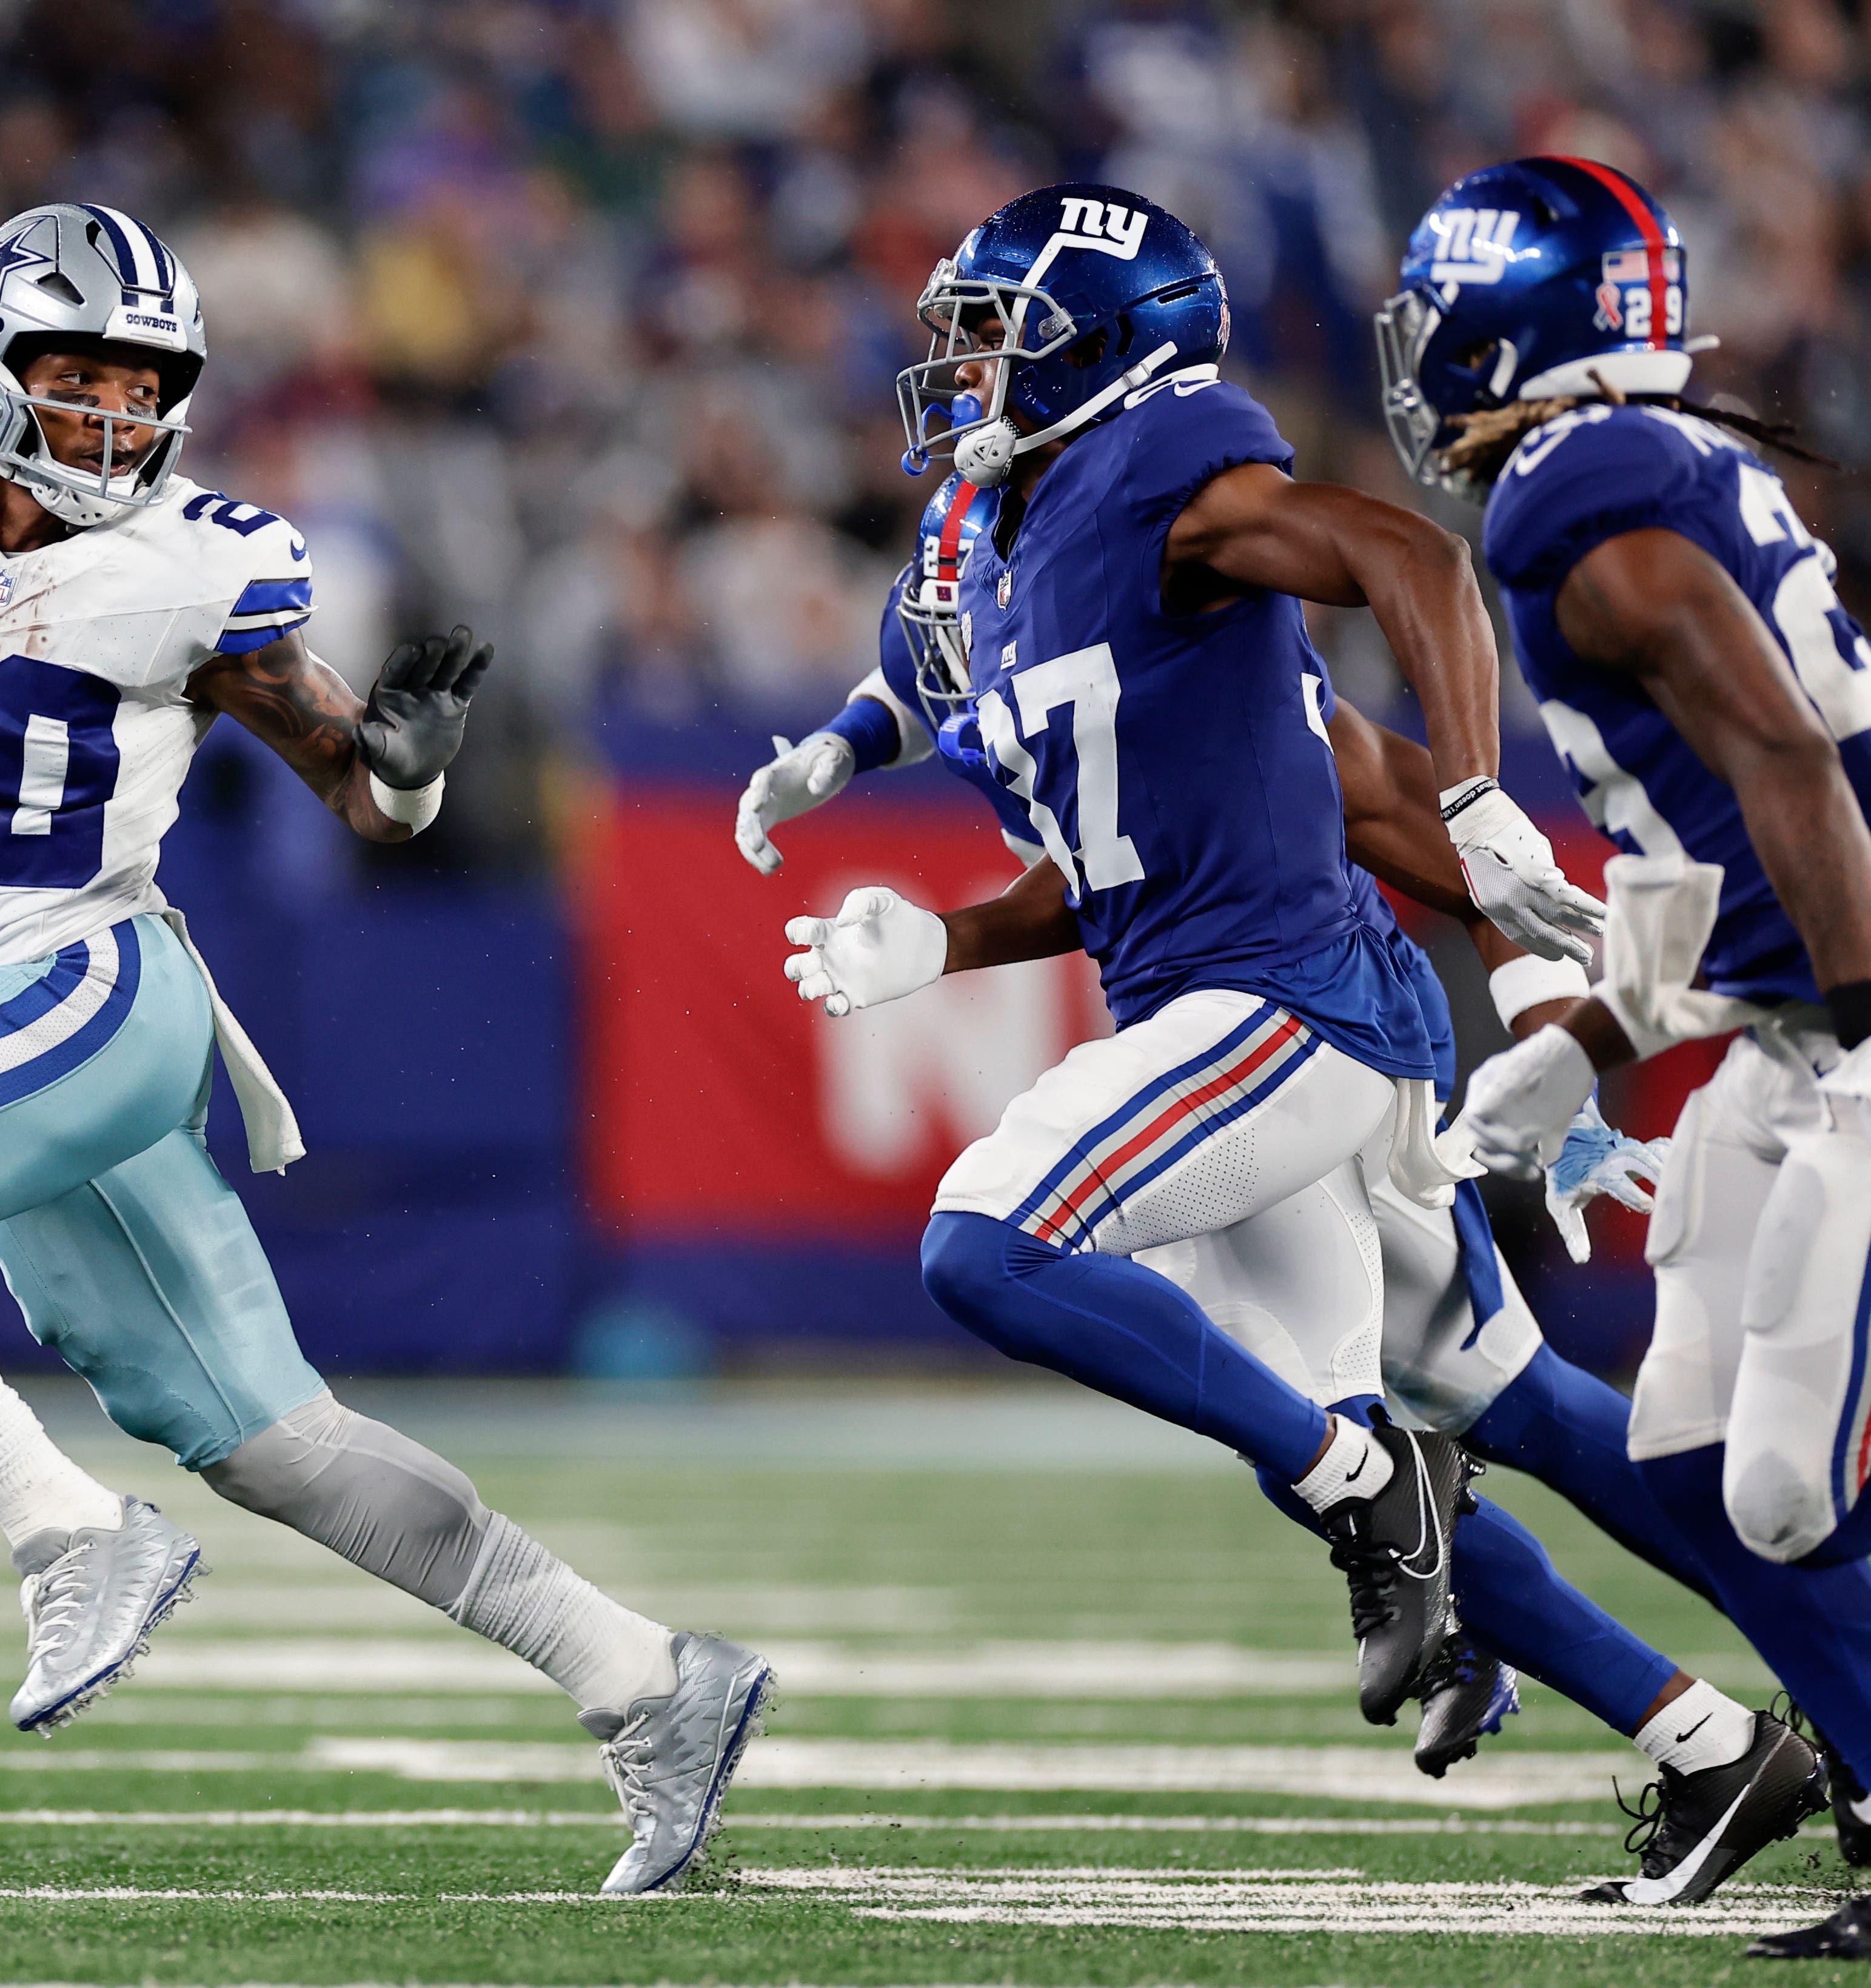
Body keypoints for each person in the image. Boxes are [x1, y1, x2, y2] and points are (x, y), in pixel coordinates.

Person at [0, 202, 770, 1895]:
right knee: (268, 1440)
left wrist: (413, 764)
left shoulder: (197, 564)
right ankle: (645, 1680)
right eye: (71, 373)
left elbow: (365, 800)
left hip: (95, 989)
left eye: (139, 381)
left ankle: (64, 1531)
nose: (107, 414)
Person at [739, 476, 1804, 1899]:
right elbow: (923, 683)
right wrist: (833, 748)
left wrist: (1548, 1025)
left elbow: (1375, 794)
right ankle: (1736, 1731)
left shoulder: (1182, 637)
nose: (972, 684)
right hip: (1265, 1008)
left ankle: (1682, 1667)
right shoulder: (995, 603)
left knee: (1338, 1457)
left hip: (1298, 1013)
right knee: (1499, 1408)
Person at [781, 182, 1606, 1735]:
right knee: (1351, 1421)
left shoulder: (1162, 481)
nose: (961, 375)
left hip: (1297, 1000)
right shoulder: (1021, 535)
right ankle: (1698, 1733)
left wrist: (1536, 968)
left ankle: (1764, 1658)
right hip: (1231, 996)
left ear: (1096, 349)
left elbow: (1387, 678)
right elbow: (946, 689)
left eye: (994, 341)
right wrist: (876, 820)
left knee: (1390, 1419)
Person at [1387, 154, 1871, 1955]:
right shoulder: (1634, 464)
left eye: (1441, 320)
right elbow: (1704, 850)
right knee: (1677, 1452)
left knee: (1778, 1480)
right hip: (1783, 1014)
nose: (1420, 357)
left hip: (1847, 1013)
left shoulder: (1570, 489)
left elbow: (1784, 763)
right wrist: (1589, 1040)